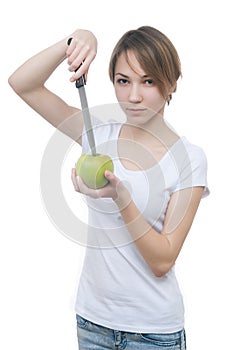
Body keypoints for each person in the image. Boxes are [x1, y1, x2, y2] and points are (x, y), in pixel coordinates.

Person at [9, 26, 209, 349]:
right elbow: (23, 84)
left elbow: (162, 261)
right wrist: (73, 43)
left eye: (148, 81)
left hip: (153, 334)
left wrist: (122, 197)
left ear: (171, 81)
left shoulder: (188, 159)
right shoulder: (96, 135)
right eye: (123, 81)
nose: (133, 96)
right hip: (93, 324)